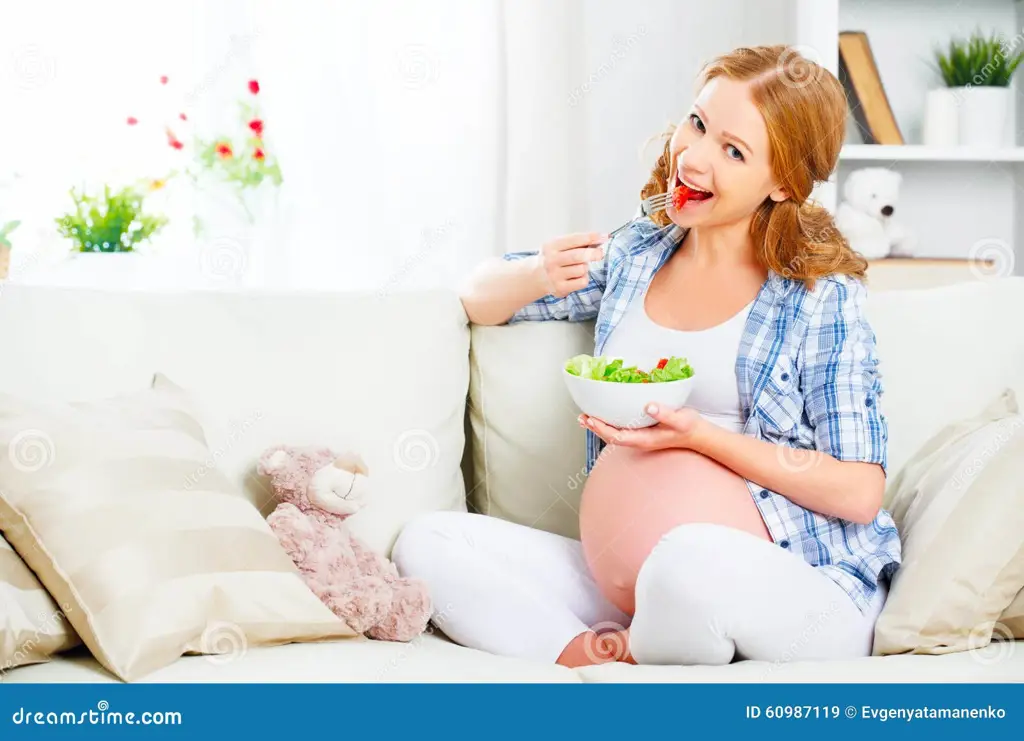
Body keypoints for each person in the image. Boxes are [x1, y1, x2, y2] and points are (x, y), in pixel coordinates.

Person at [392, 45, 901, 668]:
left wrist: (700, 440)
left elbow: (859, 492)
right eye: (698, 123)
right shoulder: (636, 257)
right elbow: (478, 299)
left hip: (799, 585)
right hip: (633, 597)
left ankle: (645, 650)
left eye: (733, 151)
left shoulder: (818, 298)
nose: (693, 157)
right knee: (428, 542)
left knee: (686, 561)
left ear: (784, 183)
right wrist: (540, 274)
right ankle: (603, 658)